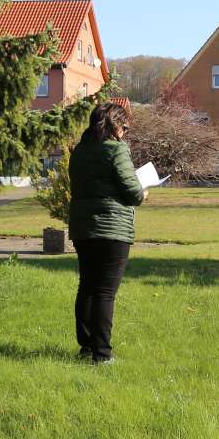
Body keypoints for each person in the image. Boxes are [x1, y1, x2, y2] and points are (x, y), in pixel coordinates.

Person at [67, 102, 145, 363]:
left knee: (86, 287)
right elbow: (132, 191)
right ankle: (102, 355)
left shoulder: (78, 151)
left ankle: (86, 348)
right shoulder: (116, 149)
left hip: (82, 228)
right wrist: (143, 192)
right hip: (113, 229)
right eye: (124, 127)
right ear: (115, 125)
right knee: (105, 292)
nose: (125, 132)